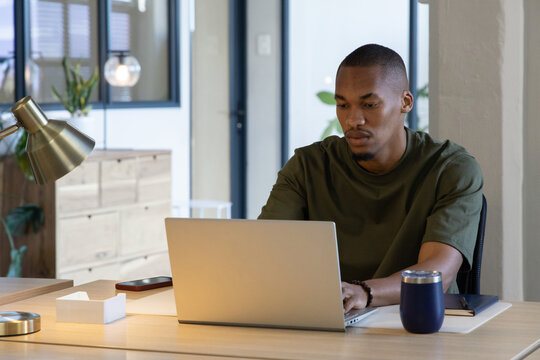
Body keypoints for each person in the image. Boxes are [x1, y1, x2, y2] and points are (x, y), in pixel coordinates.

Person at [258, 44, 483, 312]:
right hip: (328, 320)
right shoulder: (308, 166)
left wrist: (364, 292)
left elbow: (436, 274)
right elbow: (264, 253)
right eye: (342, 105)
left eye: (370, 104)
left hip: (417, 324)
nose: (353, 119)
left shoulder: (451, 169)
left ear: (405, 102)